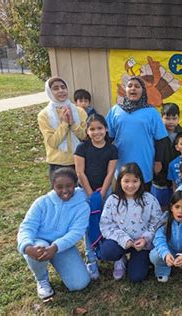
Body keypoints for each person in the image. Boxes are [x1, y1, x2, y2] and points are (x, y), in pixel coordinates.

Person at [17, 168, 90, 300]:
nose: (65, 190)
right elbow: (27, 226)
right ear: (53, 186)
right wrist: (27, 247)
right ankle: (41, 279)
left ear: (75, 184)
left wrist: (56, 247)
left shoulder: (82, 206)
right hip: (40, 242)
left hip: (62, 247)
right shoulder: (42, 202)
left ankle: (57, 260)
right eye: (59, 187)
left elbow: (76, 232)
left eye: (69, 186)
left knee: (80, 283)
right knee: (36, 252)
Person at [98, 163, 163, 283]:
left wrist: (145, 239)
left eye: (135, 181)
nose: (130, 185)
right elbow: (106, 225)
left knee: (136, 277)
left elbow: (157, 223)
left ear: (141, 181)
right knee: (107, 252)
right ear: (120, 181)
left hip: (142, 244)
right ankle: (120, 258)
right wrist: (124, 240)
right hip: (121, 242)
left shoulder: (149, 199)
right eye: (126, 181)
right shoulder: (113, 200)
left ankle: (139, 259)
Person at [74, 113, 118, 279]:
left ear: (105, 129)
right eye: (92, 129)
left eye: (100, 128)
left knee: (107, 220)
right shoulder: (82, 148)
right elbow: (80, 172)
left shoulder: (112, 149)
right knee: (88, 222)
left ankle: (111, 253)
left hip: (104, 191)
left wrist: (102, 192)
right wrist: (91, 194)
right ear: (87, 131)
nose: (96, 132)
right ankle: (91, 256)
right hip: (86, 191)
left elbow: (110, 172)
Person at [106, 76, 168, 188]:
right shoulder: (115, 110)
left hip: (145, 162)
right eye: (130, 86)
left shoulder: (152, 112)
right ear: (125, 90)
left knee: (143, 198)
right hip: (121, 161)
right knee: (123, 196)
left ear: (143, 91)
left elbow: (161, 140)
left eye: (137, 86)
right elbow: (108, 137)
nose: (133, 88)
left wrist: (158, 161)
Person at [38, 77, 87, 179]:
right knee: (61, 194)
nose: (61, 91)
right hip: (58, 164)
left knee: (81, 193)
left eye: (63, 87)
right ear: (49, 92)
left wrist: (72, 123)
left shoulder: (79, 111)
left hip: (80, 160)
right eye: (55, 88)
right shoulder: (44, 115)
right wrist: (65, 124)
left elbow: (85, 137)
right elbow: (52, 142)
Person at [152, 103, 182, 210]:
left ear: (178, 118)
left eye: (174, 118)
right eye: (167, 118)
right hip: (160, 175)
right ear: (161, 117)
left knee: (176, 203)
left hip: (177, 174)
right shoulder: (156, 133)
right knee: (160, 205)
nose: (170, 122)